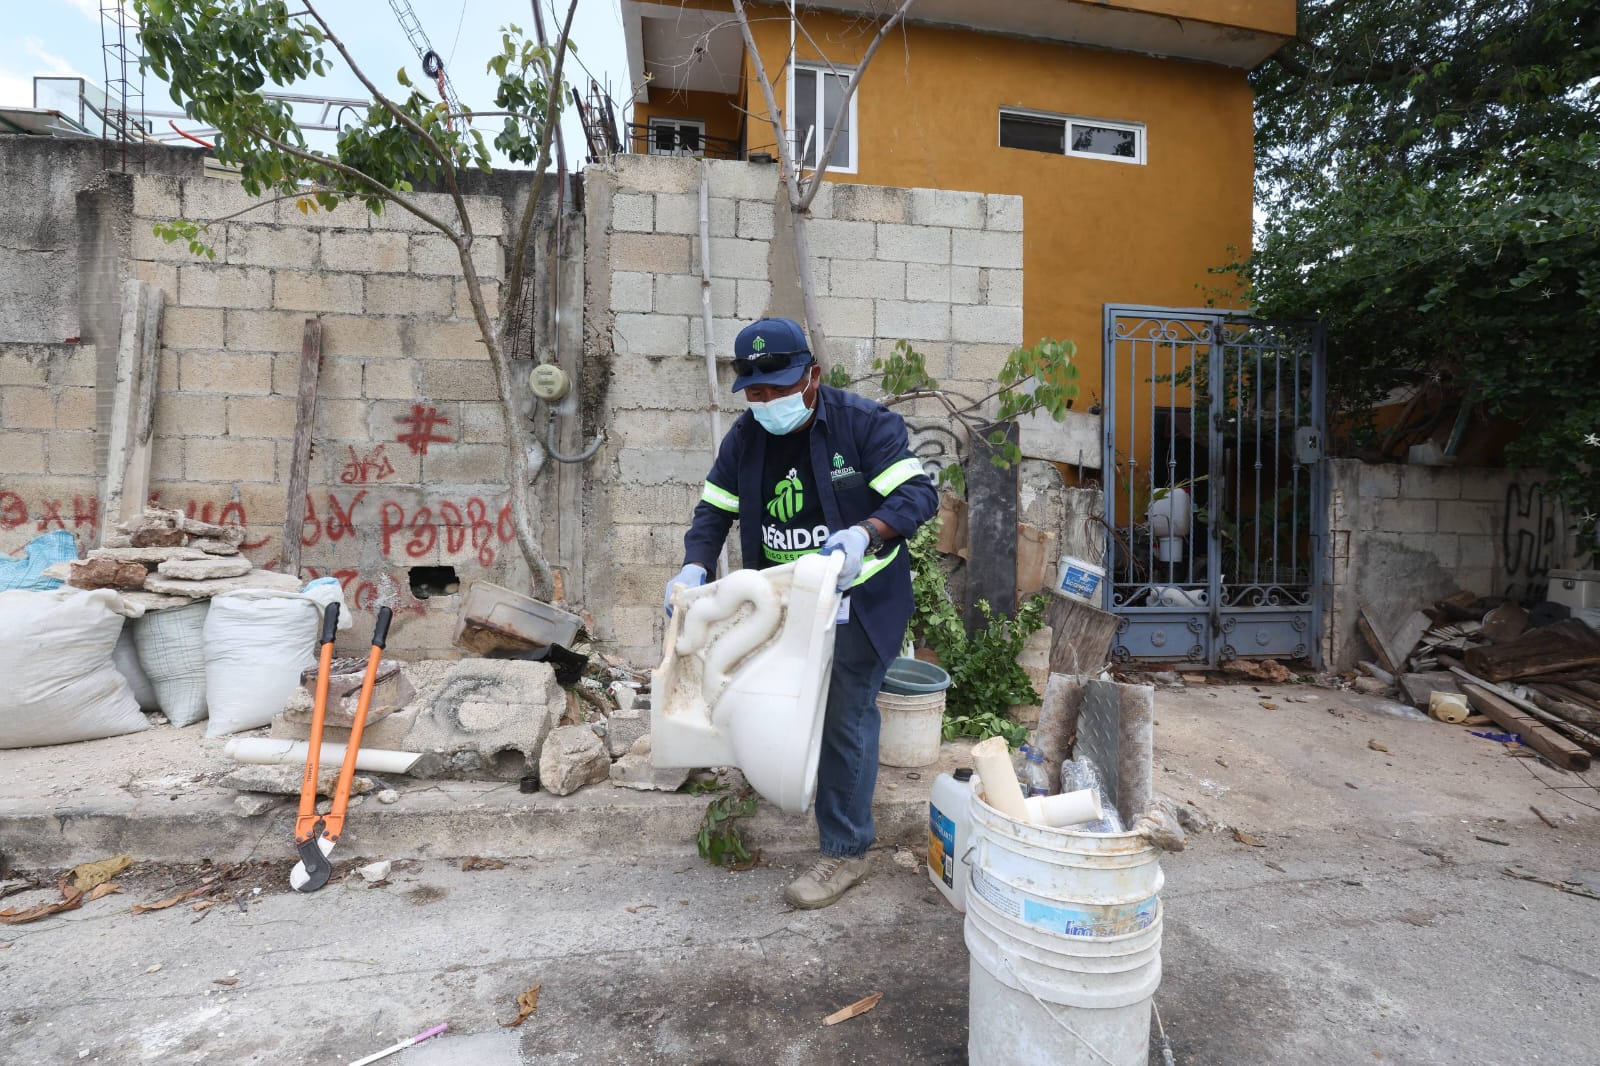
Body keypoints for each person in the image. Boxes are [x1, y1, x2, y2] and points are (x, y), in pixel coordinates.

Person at [665, 317, 938, 909]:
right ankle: (792, 784)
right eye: (756, 392)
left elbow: (918, 495)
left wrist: (866, 532)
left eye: (781, 388)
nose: (768, 402)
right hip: (784, 603)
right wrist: (693, 566)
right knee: (783, 698)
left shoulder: (863, 424)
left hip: (860, 598)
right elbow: (714, 511)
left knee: (846, 713)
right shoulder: (746, 438)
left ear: (812, 376)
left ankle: (845, 850)